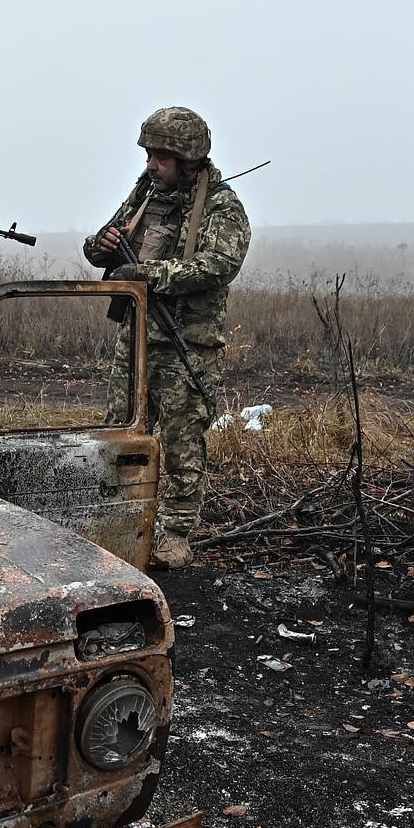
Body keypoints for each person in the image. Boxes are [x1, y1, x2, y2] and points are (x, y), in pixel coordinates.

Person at [84, 106, 251, 569]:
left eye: (160, 157)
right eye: (148, 155)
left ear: (188, 159)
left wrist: (148, 274)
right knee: (121, 432)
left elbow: (218, 264)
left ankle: (174, 535)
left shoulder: (221, 206)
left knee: (182, 441)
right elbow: (105, 243)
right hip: (136, 335)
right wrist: (100, 245)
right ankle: (116, 522)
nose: (150, 165)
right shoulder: (146, 196)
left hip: (186, 342)